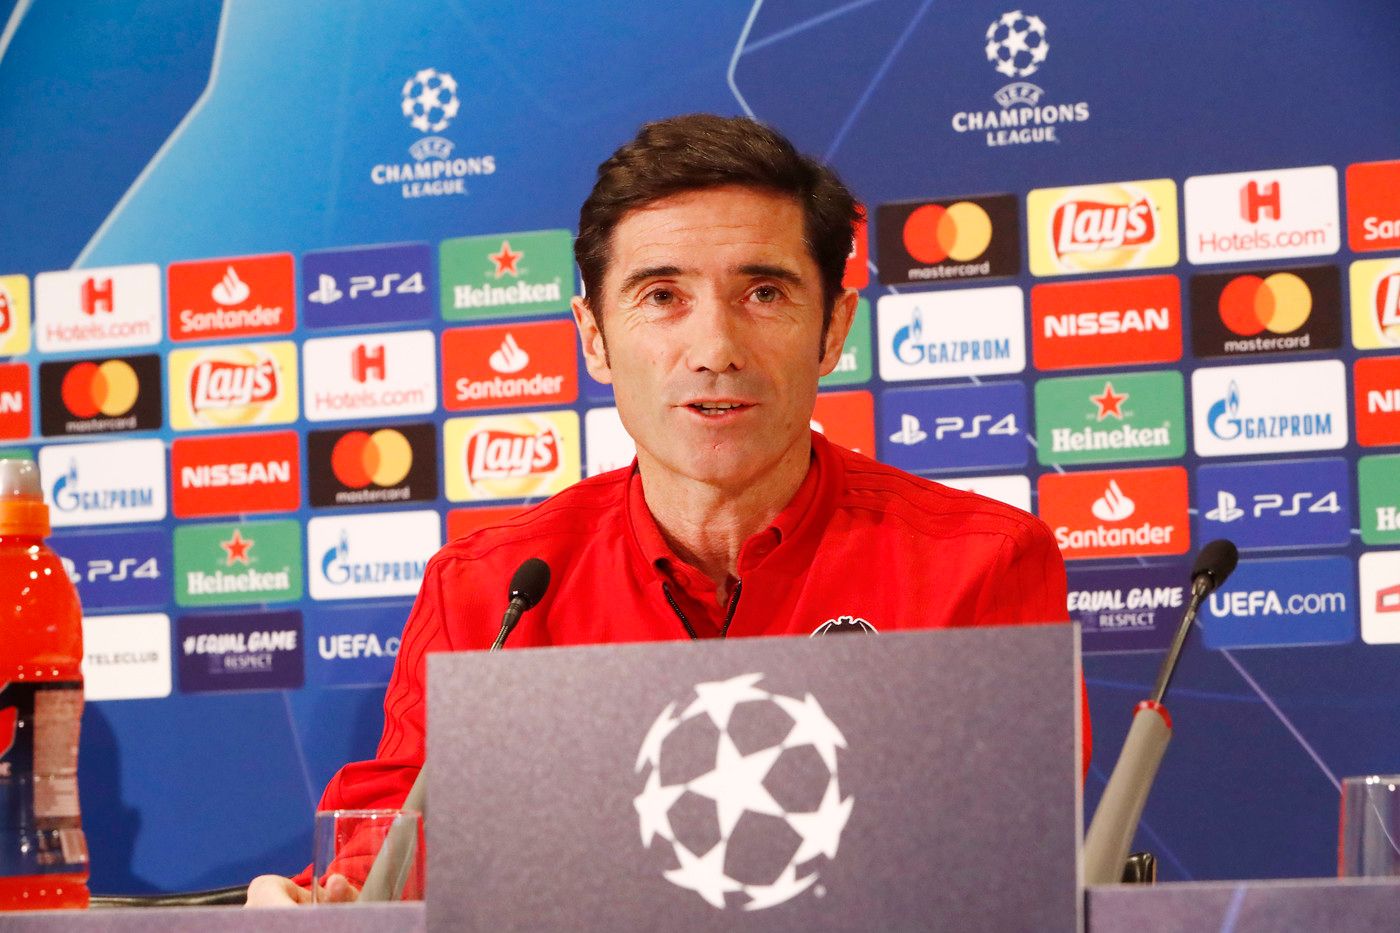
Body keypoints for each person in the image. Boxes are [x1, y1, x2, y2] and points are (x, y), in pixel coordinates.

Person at [247, 113, 1084, 906]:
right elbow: (393, 845)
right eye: (660, 296)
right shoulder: (489, 591)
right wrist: (330, 901)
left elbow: (1003, 868)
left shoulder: (980, 564)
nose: (715, 349)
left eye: (764, 293)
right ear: (594, 336)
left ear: (832, 329)